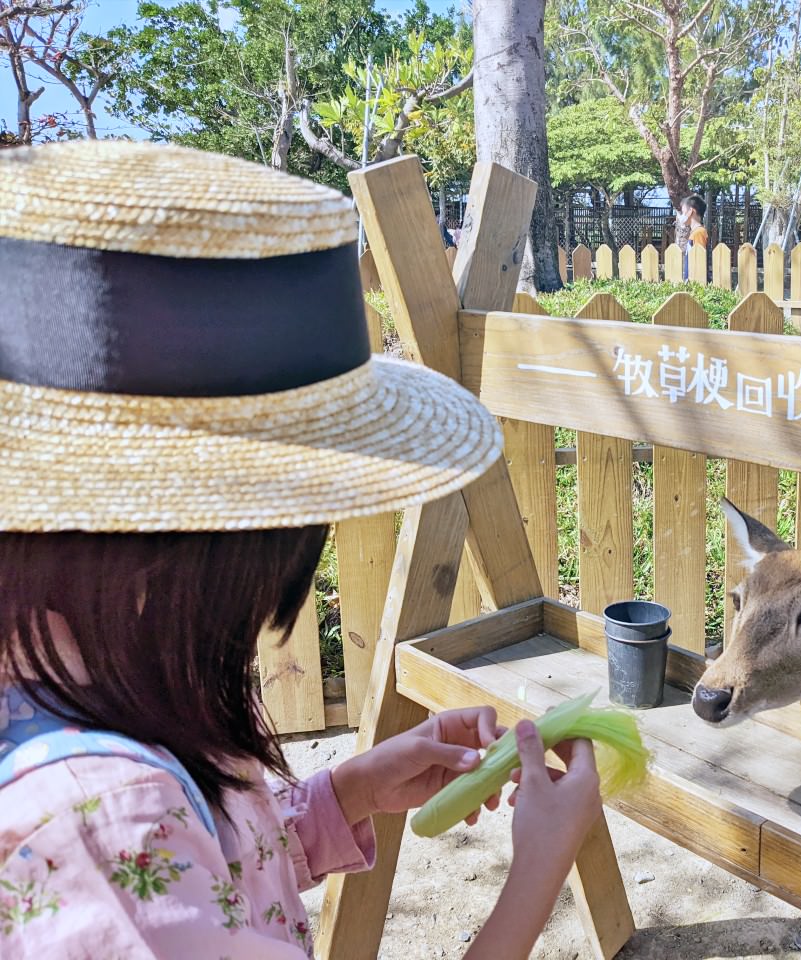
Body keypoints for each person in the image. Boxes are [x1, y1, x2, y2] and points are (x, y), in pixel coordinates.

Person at [0, 140, 602, 958]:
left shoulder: (112, 674)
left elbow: (211, 873)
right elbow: (158, 866)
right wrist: (538, 872)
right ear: (196, 555)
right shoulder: (104, 830)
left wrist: (346, 791)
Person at [678, 194, 708, 280]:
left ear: (691, 211)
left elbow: (699, 259)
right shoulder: (694, 232)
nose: (682, 216)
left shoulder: (699, 232)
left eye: (683, 212)